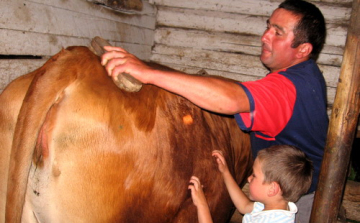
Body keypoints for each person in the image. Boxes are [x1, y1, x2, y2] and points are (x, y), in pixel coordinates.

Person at [101, 0, 328, 221]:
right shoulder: (305, 74)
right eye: (268, 26)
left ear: (303, 49)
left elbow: (230, 99)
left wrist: (147, 73)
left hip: (296, 202)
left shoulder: (287, 88)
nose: (265, 36)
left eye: (278, 32)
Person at [189, 145, 313, 223]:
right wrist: (225, 172)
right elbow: (244, 206)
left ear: (272, 189)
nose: (249, 179)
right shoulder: (274, 206)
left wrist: (202, 205)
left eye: (254, 175)